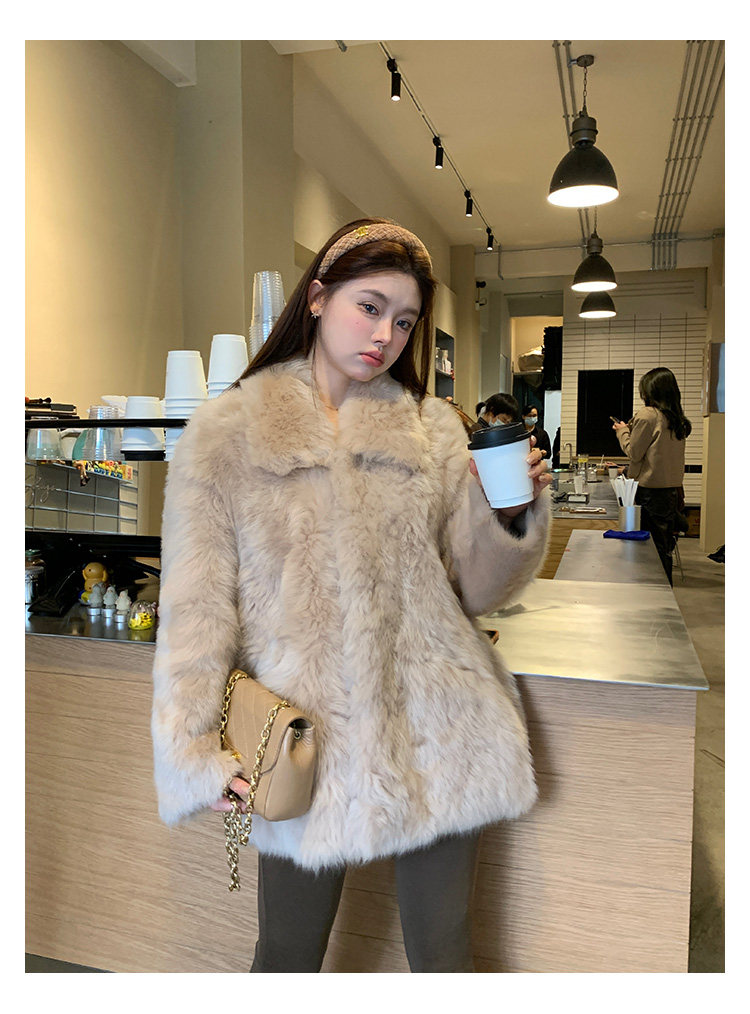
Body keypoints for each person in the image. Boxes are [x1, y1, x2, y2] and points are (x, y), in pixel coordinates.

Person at [151, 217, 552, 973]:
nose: (385, 336)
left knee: (445, 955)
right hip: (304, 741)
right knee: (286, 956)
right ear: (317, 297)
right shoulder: (227, 434)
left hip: (441, 727)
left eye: (403, 321)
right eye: (369, 307)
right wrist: (194, 750)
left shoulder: (431, 430)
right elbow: (197, 612)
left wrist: (505, 515)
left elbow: (474, 591)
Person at [612, 366, 691, 584]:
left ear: (650, 391)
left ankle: (653, 594)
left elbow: (634, 452)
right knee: (662, 549)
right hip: (671, 493)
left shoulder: (648, 415)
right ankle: (664, 594)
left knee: (648, 551)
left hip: (649, 494)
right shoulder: (676, 419)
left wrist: (622, 431)